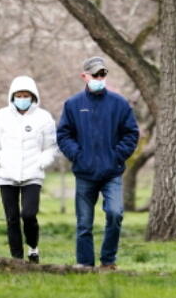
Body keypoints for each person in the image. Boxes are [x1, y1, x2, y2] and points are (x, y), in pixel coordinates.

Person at [56, 56, 140, 270]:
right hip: (84, 172)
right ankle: (84, 263)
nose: (100, 78)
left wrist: (116, 155)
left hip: (112, 171)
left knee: (115, 213)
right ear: (84, 76)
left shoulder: (119, 103)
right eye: (95, 74)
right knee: (84, 223)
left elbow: (131, 133)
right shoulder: (73, 104)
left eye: (103, 74)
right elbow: (64, 134)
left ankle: (108, 261)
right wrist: (78, 155)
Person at [0, 75, 57, 263]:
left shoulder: (44, 117)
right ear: (12, 96)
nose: (22, 99)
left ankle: (33, 248)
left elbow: (51, 146)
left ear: (33, 97)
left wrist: (43, 161)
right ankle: (17, 258)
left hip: (33, 173)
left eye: (26, 95)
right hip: (6, 174)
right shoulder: (1, 116)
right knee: (12, 218)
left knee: (29, 214)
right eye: (19, 95)